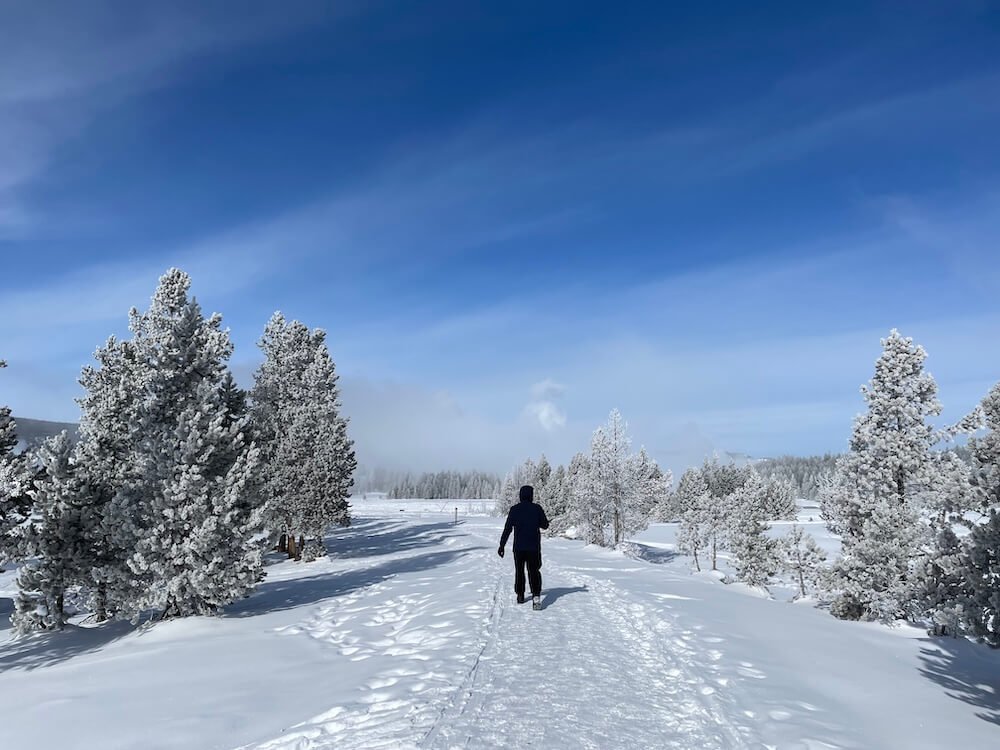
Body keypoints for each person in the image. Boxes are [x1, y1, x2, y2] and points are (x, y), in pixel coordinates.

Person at [497, 484, 550, 608]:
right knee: (534, 571)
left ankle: (520, 595)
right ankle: (536, 596)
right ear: (531, 496)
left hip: (519, 548)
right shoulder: (537, 509)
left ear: (521, 495)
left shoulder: (514, 509)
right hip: (534, 547)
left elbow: (507, 529)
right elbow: (545, 525)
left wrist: (502, 545)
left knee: (519, 571)